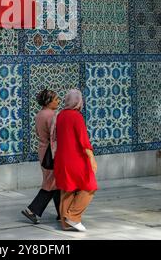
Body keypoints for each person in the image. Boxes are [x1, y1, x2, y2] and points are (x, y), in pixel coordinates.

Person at [53, 88, 98, 232]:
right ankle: (73, 216)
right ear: (78, 102)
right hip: (75, 159)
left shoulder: (60, 115)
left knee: (67, 189)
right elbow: (83, 141)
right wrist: (92, 159)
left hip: (62, 158)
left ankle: (65, 223)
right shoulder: (76, 116)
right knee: (89, 186)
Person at [21, 89, 60, 224]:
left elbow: (39, 133)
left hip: (43, 150)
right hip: (51, 152)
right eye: (56, 99)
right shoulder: (52, 115)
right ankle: (32, 210)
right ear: (49, 102)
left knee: (55, 181)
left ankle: (63, 212)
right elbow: (54, 136)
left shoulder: (39, 114)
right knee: (50, 182)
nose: (58, 101)